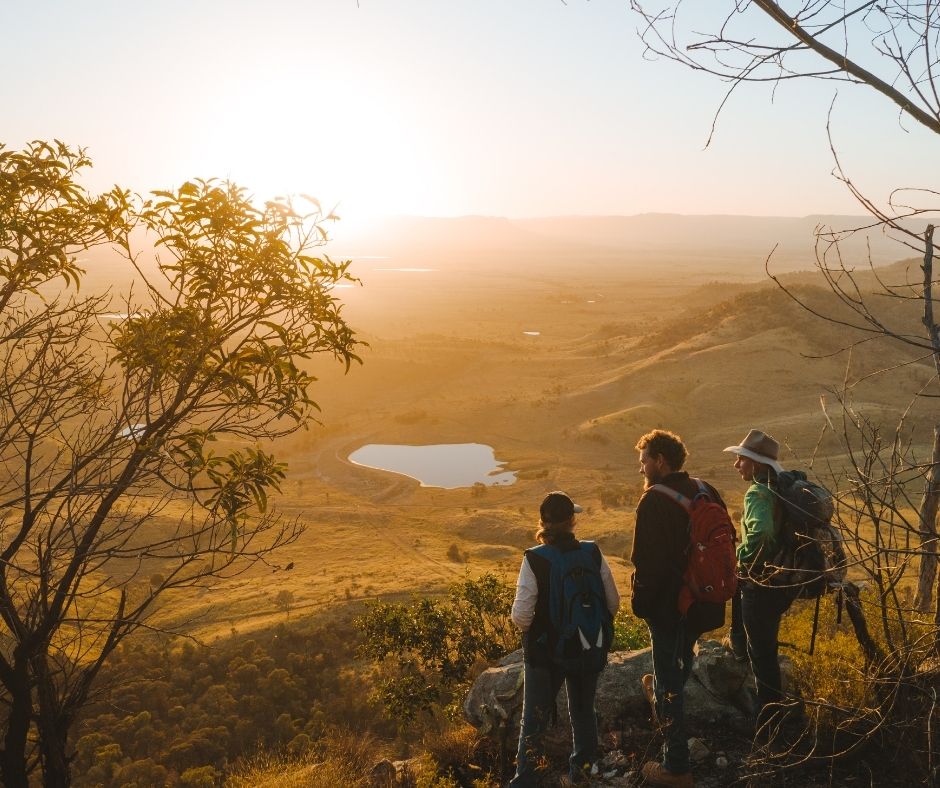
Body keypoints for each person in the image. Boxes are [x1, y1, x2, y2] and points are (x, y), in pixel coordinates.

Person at [631, 429, 727, 788]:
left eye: (644, 461)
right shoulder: (706, 490)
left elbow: (646, 563)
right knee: (679, 663)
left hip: (670, 608)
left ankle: (676, 768)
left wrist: (641, 606)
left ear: (660, 461)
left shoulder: (654, 500)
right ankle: (665, 697)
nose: (641, 469)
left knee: (670, 682)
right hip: (704, 603)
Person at [509, 491, 620, 787]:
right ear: (572, 521)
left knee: (533, 721)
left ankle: (526, 781)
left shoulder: (534, 559)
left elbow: (521, 616)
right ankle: (583, 772)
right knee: (583, 712)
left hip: (545, 655)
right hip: (586, 646)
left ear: (543, 523)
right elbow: (613, 604)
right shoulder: (592, 552)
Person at [724, 429, 794, 728]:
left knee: (761, 652)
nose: (736, 464)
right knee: (767, 645)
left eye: (741, 459)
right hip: (782, 579)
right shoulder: (780, 486)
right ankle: (774, 711)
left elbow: (763, 533)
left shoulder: (757, 493)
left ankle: (769, 720)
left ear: (755, 463)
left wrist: (743, 562)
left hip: (761, 582)